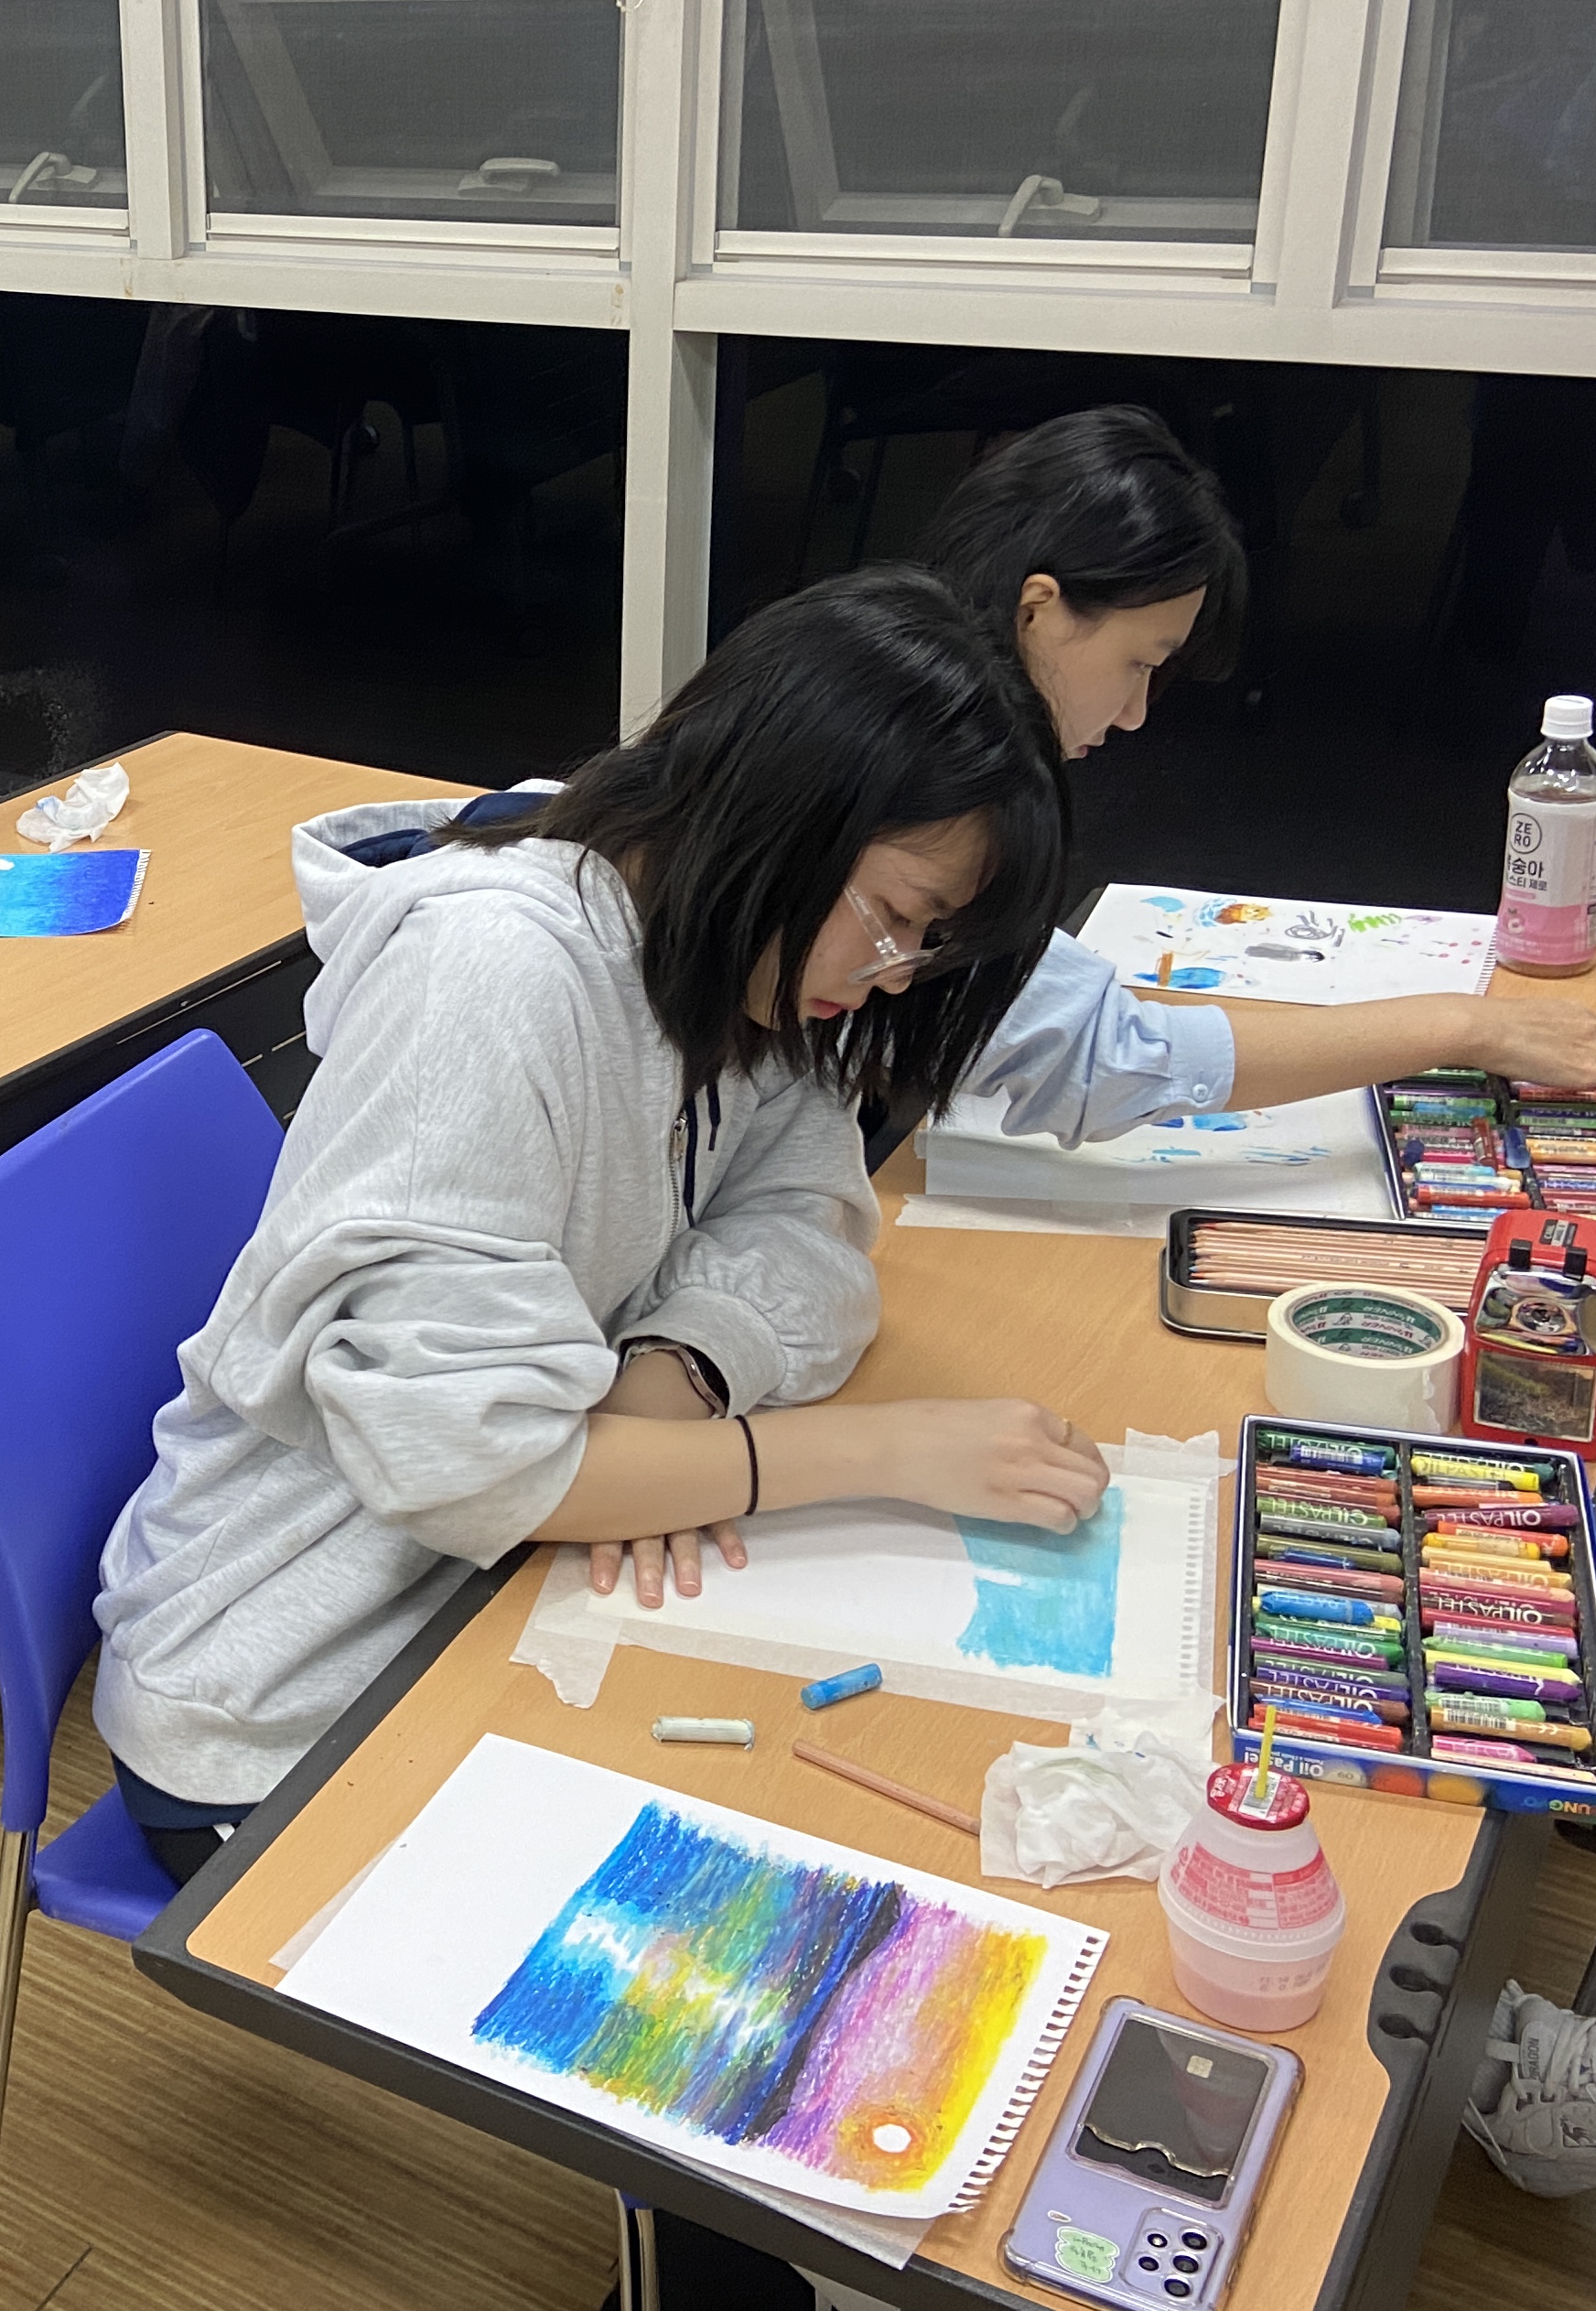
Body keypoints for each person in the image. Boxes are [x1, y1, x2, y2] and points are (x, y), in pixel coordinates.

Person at [94, 567, 1104, 1881]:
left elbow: (808, 1222)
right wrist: (886, 1449)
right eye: (897, 920)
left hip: (511, 1576)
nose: (892, 976)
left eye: (928, 945)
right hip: (287, 1683)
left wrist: (671, 1381)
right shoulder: (495, 978)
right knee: (772, 1888)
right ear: (779, 810)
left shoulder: (739, 960)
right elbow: (470, 1468)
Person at [919, 406, 1596, 1142]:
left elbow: (1062, 1012)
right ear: (1039, 610)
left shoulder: (946, 725)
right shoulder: (930, 785)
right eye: (1140, 663)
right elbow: (1103, 1059)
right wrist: (1463, 1027)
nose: (1135, 715)